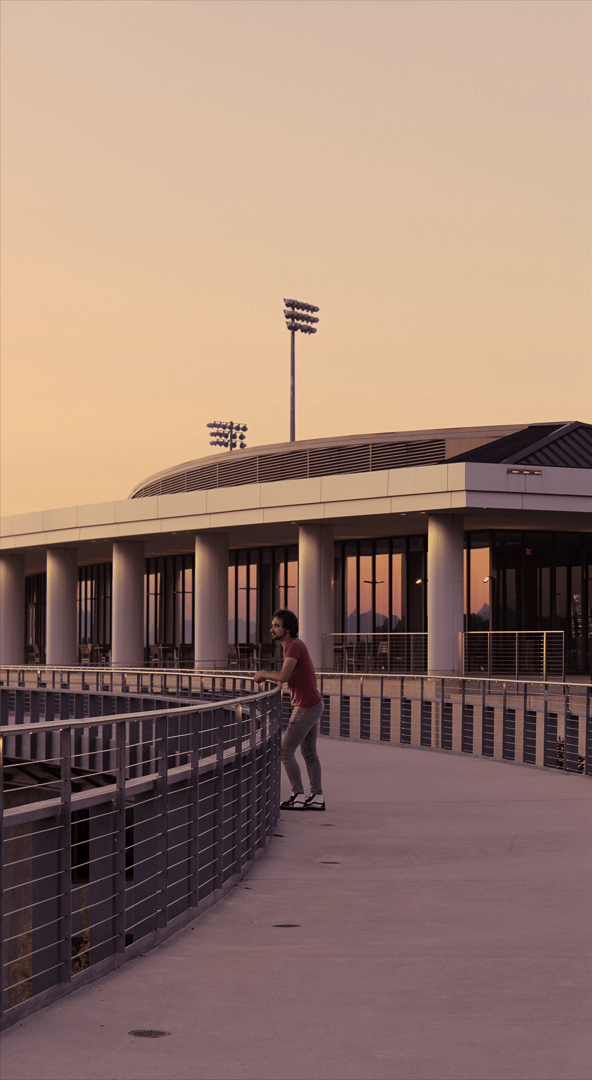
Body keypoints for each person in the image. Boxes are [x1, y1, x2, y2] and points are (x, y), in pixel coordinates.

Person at [254, 609, 325, 811]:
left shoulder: (293, 646)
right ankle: (317, 797)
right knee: (309, 753)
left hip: (306, 706)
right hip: (310, 703)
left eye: (276, 625)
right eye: (272, 625)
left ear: (287, 628)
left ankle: (298, 795)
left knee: (285, 752)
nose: (272, 629)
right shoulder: (294, 646)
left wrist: (263, 674)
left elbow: (283, 676)